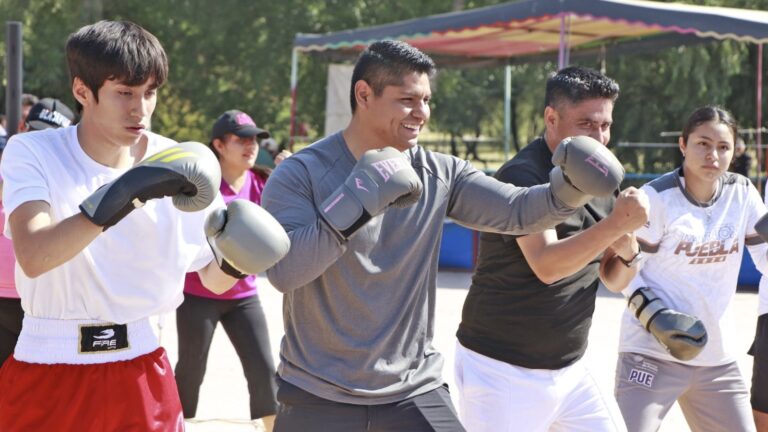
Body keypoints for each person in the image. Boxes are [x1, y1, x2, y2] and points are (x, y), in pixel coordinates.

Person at [261, 40, 628, 431]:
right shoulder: (301, 173)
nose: (422, 113)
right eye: (408, 100)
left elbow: (517, 211)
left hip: (413, 388)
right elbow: (285, 273)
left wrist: (568, 188)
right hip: (317, 392)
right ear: (364, 94)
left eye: (426, 101)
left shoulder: (440, 172)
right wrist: (353, 202)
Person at [0, 20, 289, 431]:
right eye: (124, 93)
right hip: (49, 361)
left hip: (143, 367)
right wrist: (129, 191)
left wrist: (238, 257)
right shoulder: (33, 151)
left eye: (149, 92)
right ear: (83, 91)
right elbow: (33, 255)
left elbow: (210, 278)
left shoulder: (175, 159)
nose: (140, 109)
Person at [454, 66, 647, 432]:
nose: (600, 137)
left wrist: (628, 247)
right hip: (501, 370)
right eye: (587, 124)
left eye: (606, 125)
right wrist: (616, 225)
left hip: (570, 368)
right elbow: (547, 265)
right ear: (551, 118)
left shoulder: (600, 174)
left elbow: (614, 278)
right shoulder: (523, 175)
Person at [615, 105, 762, 432]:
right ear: (683, 144)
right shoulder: (656, 197)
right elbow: (626, 269)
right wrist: (653, 315)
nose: (713, 154)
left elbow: (766, 257)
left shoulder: (743, 193)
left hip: (715, 359)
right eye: (703, 144)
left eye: (723, 147)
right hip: (651, 353)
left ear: (733, 152)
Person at [175, 109, 280, 431]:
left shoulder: (265, 182)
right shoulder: (200, 187)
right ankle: (173, 425)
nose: (251, 146)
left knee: (264, 370)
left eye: (255, 140)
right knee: (190, 373)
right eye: (242, 139)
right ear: (219, 145)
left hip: (244, 296)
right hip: (197, 296)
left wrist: (292, 172)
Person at [0, 97, 77, 366]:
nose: (44, 145)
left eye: (53, 138)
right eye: (37, 133)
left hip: (41, 303)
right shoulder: (11, 166)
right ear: (23, 126)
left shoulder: (71, 182)